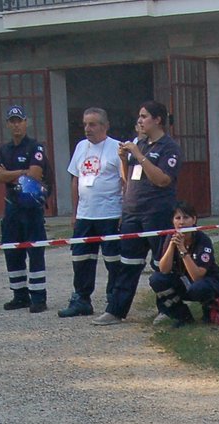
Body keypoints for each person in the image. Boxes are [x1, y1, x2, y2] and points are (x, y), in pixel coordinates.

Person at [95, 100, 178, 325]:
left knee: (161, 263)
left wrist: (139, 156)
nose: (139, 121)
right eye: (139, 117)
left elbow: (162, 179)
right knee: (128, 262)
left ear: (157, 120)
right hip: (133, 212)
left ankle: (169, 309)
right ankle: (116, 310)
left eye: (144, 116)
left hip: (156, 212)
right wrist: (124, 158)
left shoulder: (168, 147)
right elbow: (128, 177)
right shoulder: (139, 144)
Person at [59, 107, 125, 318]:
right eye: (85, 124)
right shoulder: (80, 147)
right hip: (85, 215)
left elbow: (125, 181)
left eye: (93, 124)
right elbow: (75, 179)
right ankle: (81, 299)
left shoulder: (117, 148)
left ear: (105, 126)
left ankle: (114, 301)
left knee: (113, 259)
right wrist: (75, 211)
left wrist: (125, 211)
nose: (88, 129)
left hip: (110, 213)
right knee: (81, 258)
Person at [0, 105, 50, 313]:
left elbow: (34, 174)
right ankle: (19, 295)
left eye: (19, 120)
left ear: (26, 122)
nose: (16, 125)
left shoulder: (35, 147)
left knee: (34, 251)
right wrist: (22, 172)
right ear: (8, 124)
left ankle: (38, 297)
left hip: (31, 208)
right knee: (12, 251)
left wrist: (12, 173)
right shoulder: (3, 150)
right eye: (12, 121)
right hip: (12, 208)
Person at [147, 201, 219, 326]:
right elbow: (163, 269)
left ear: (194, 220)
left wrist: (182, 250)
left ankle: (209, 311)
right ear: (173, 221)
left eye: (186, 218)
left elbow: (197, 276)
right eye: (178, 218)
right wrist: (172, 246)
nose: (181, 222)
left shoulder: (202, 240)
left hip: (207, 282)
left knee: (198, 287)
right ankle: (182, 316)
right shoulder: (171, 237)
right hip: (183, 280)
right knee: (156, 279)